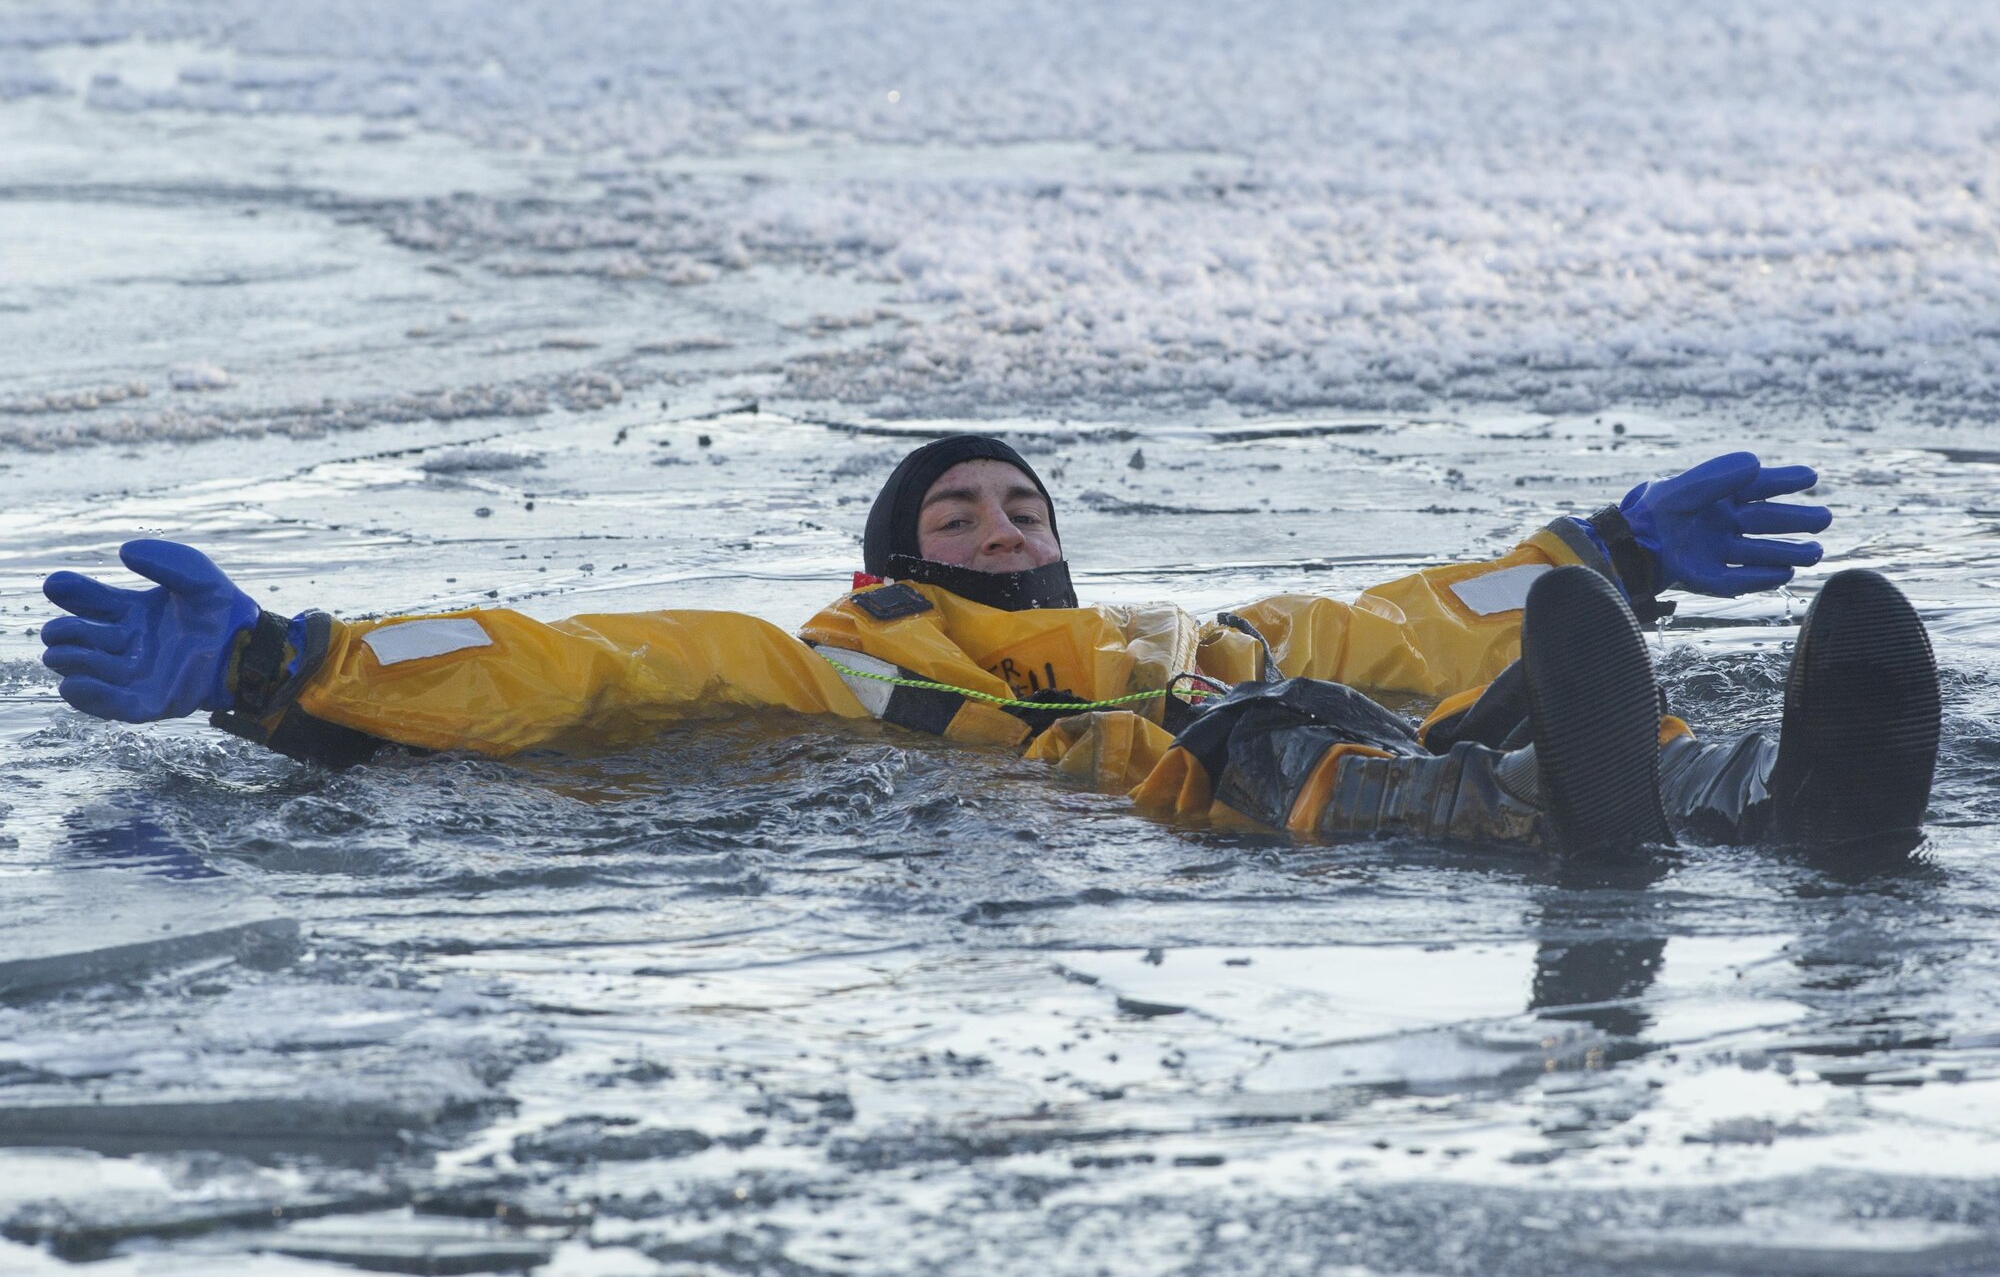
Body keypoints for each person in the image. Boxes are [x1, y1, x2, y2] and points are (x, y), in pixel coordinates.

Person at [38, 435, 1940, 862]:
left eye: (1019, 503)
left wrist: (1605, 553)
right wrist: (292, 663)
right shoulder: (836, 662)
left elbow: (1420, 611)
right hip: (1227, 798)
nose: (996, 524)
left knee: (1414, 669)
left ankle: (1764, 787)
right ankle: (1539, 806)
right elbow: (586, 664)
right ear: (893, 559)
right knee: (1285, 729)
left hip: (1306, 706)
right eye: (954, 512)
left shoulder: (1190, 625)